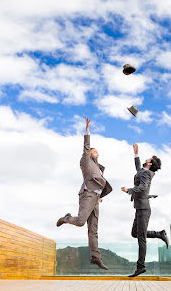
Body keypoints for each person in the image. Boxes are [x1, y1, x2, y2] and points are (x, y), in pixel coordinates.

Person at [56, 116, 112, 270]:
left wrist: (99, 197)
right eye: (95, 151)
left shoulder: (98, 168)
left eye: (97, 152)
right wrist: (87, 130)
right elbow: (86, 148)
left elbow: (99, 184)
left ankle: (96, 257)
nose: (97, 153)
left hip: (95, 198)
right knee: (80, 222)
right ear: (89, 154)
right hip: (87, 196)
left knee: (93, 231)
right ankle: (67, 218)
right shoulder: (86, 163)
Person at [121, 143, 168, 277]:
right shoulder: (144, 171)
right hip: (140, 208)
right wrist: (136, 154)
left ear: (150, 164)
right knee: (134, 233)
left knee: (141, 238)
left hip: (143, 208)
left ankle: (140, 267)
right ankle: (159, 234)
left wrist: (129, 190)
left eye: (148, 159)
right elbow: (138, 169)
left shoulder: (147, 174)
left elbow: (142, 186)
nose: (146, 159)